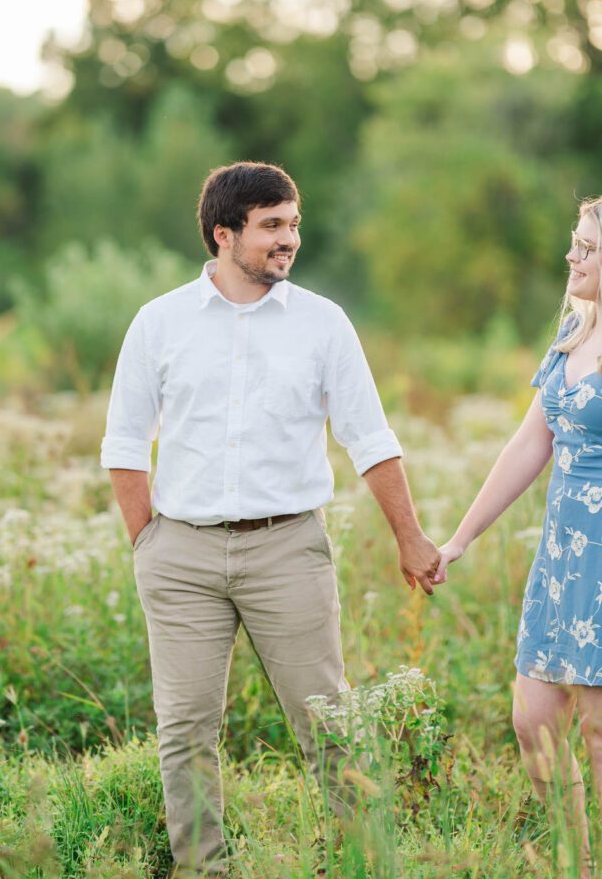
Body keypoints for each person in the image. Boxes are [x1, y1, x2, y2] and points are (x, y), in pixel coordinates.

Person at [101, 161, 440, 877]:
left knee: (329, 724)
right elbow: (125, 442)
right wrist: (148, 542)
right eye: (271, 227)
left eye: (292, 223)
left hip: (288, 550)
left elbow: (369, 438)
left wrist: (408, 536)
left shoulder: (323, 323)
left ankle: (361, 863)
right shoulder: (158, 322)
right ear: (223, 234)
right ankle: (203, 868)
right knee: (185, 728)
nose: (289, 239)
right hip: (181, 557)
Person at [435, 196, 602, 878]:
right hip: (563, 556)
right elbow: (527, 445)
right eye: (574, 241)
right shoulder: (572, 327)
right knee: (533, 718)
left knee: (597, 731)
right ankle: (575, 861)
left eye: (587, 247)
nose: (572, 255)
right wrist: (459, 539)